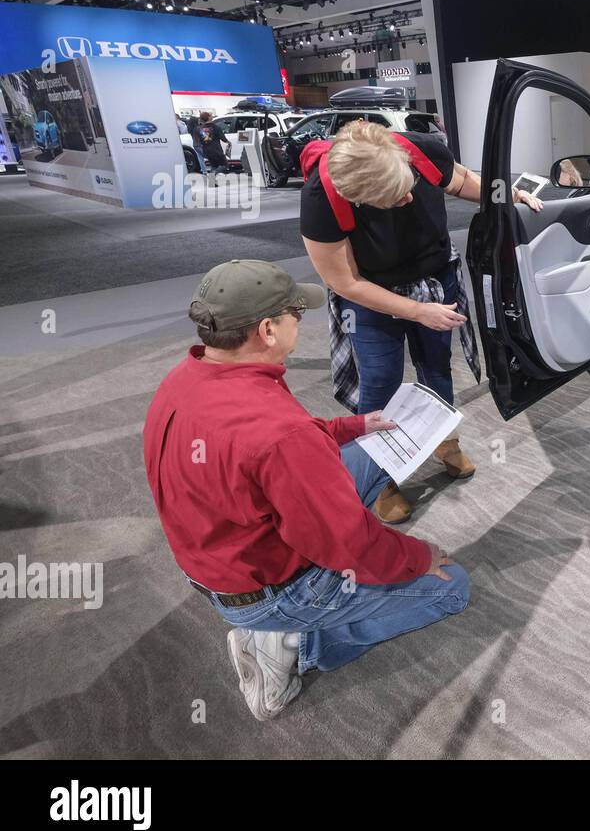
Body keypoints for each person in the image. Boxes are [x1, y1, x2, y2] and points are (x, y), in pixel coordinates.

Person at [142, 259, 468, 720]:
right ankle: (297, 643)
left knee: (374, 446)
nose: (301, 320)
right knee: (452, 587)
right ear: (268, 331)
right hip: (271, 588)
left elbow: (263, 446)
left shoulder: (185, 378)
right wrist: (421, 556)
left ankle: (277, 627)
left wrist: (349, 426)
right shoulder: (282, 436)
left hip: (220, 558)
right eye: (295, 313)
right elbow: (348, 546)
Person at [300, 120, 543, 509]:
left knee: (436, 367)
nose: (409, 201)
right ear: (359, 198)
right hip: (372, 293)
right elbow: (346, 282)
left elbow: (460, 180)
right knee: (380, 380)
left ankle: (444, 442)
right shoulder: (321, 197)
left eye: (408, 187)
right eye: (395, 199)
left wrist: (508, 195)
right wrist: (416, 311)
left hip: (434, 275)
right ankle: (377, 476)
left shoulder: (423, 149)